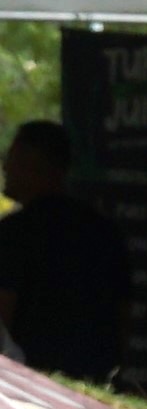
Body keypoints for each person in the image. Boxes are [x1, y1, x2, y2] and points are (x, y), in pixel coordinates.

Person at [0, 121, 130, 385]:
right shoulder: (105, 231)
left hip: (30, 381)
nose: (5, 168)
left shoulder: (14, 233)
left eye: (11, 159)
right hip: (96, 378)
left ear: (33, 164)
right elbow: (123, 316)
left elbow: (4, 311)